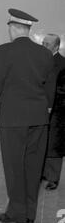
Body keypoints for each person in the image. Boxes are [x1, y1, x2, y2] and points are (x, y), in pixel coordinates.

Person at [0, 9, 56, 223]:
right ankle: (30, 213)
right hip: (39, 118)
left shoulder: (4, 51)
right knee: (34, 166)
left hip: (13, 119)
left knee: (14, 166)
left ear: (14, 28)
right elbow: (50, 86)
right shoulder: (44, 53)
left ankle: (16, 213)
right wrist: (47, 110)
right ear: (28, 29)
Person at [42, 34, 65, 190]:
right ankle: (43, 173)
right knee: (41, 142)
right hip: (40, 108)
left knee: (54, 145)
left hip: (58, 111)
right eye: (43, 42)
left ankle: (53, 178)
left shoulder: (62, 63)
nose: (44, 46)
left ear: (56, 46)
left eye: (47, 44)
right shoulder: (39, 61)